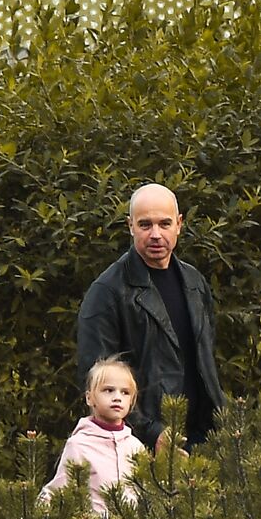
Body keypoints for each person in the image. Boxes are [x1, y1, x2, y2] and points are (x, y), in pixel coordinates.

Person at [76, 183, 224, 451]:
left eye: (164, 223)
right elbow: (95, 381)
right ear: (130, 225)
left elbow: (206, 361)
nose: (156, 234)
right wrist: (152, 433)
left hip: (204, 439)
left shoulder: (194, 282)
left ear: (179, 224)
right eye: (145, 225)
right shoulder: (107, 292)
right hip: (140, 445)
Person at [40, 356, 146, 515]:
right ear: (89, 398)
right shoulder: (78, 444)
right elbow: (58, 491)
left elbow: (148, 493)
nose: (117, 397)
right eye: (108, 390)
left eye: (125, 392)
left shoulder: (135, 446)